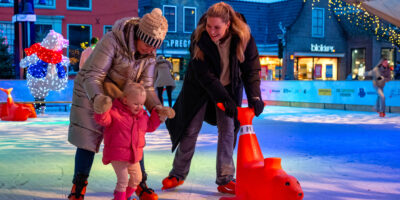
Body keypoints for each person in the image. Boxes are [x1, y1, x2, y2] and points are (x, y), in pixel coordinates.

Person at [162, 2, 264, 195]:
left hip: (229, 89)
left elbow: (251, 69)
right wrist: (222, 97)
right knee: (190, 129)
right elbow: (204, 75)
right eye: (209, 26)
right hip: (199, 89)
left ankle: (225, 178)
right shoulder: (199, 37)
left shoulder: (243, 37)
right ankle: (177, 174)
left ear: (228, 24)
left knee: (228, 131)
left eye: (217, 27)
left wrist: (255, 96)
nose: (212, 31)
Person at [67, 8, 168, 200]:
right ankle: (78, 185)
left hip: (122, 96)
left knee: (133, 134)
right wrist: (99, 99)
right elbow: (93, 75)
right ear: (139, 35)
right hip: (92, 90)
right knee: (88, 139)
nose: (151, 49)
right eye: (148, 43)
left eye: (155, 46)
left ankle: (139, 183)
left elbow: (146, 87)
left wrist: (156, 108)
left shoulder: (149, 55)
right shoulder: (113, 40)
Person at [94, 83, 172, 200]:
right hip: (117, 154)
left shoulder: (142, 116)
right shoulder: (115, 112)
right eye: (136, 104)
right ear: (125, 100)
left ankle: (123, 198)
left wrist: (158, 115)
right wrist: (102, 109)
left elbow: (149, 126)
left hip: (133, 155)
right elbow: (103, 120)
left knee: (137, 179)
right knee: (123, 180)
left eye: (141, 104)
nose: (139, 107)